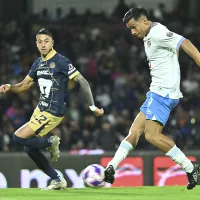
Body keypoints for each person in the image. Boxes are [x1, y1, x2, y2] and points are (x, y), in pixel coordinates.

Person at [104, 6, 200, 190]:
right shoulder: (151, 33)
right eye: (129, 29)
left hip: (162, 93)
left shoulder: (156, 32)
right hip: (156, 91)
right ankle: (111, 167)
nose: (133, 32)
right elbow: (174, 48)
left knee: (152, 135)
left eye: (134, 27)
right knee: (135, 131)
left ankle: (191, 168)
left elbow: (184, 42)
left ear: (144, 21)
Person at [0, 28, 104, 190]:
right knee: (30, 148)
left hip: (53, 110)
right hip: (40, 110)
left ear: (52, 43)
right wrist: (9, 86)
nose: (43, 45)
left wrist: (92, 107)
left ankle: (49, 142)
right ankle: (57, 179)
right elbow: (23, 86)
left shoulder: (61, 61)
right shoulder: (37, 63)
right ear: (36, 43)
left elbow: (82, 81)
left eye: (46, 41)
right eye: (40, 41)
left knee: (17, 137)